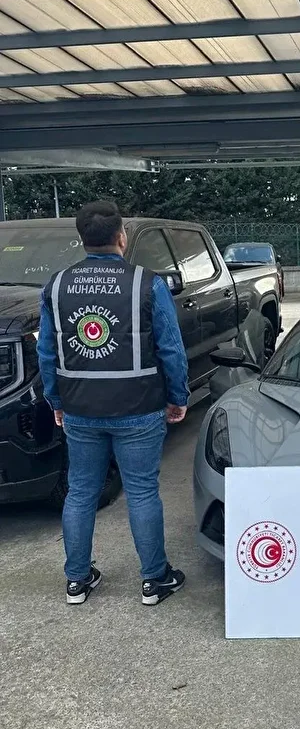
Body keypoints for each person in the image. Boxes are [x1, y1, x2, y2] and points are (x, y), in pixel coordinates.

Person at [38, 201, 190, 607]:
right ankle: (155, 579)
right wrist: (178, 396)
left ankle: (77, 580)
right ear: (121, 236)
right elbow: (171, 349)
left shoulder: (56, 286)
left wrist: (56, 400)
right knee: (142, 492)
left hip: (80, 409)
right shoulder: (147, 283)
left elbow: (47, 353)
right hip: (139, 408)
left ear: (82, 239)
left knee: (80, 492)